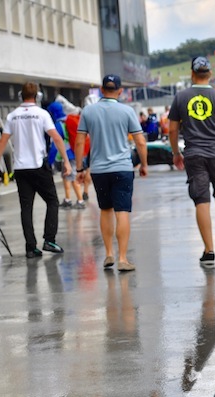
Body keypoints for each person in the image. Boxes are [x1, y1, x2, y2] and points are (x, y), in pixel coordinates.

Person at [168, 56, 215, 267]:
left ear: (192, 74)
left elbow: (173, 129)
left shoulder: (181, 97)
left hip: (194, 154)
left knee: (201, 200)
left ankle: (208, 250)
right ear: (210, 74)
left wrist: (176, 152)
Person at [0, 82, 71, 258]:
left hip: (20, 169)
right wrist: (67, 162)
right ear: (37, 96)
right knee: (52, 202)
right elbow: (56, 137)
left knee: (26, 208)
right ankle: (49, 239)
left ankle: (30, 247)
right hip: (39, 166)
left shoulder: (12, 116)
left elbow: (2, 141)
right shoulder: (42, 114)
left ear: (20, 96)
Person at [74, 74, 148, 272]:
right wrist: (144, 164)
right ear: (120, 90)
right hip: (123, 168)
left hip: (99, 170)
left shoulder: (88, 112)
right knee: (122, 211)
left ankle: (108, 254)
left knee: (105, 210)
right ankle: (123, 258)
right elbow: (140, 142)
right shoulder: (127, 111)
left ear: (101, 89)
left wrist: (80, 168)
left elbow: (79, 142)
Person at [47, 101, 85, 209]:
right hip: (72, 153)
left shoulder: (58, 124)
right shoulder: (68, 119)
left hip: (68, 155)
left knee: (72, 178)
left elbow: (56, 143)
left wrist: (50, 160)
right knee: (66, 177)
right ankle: (68, 199)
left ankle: (80, 200)